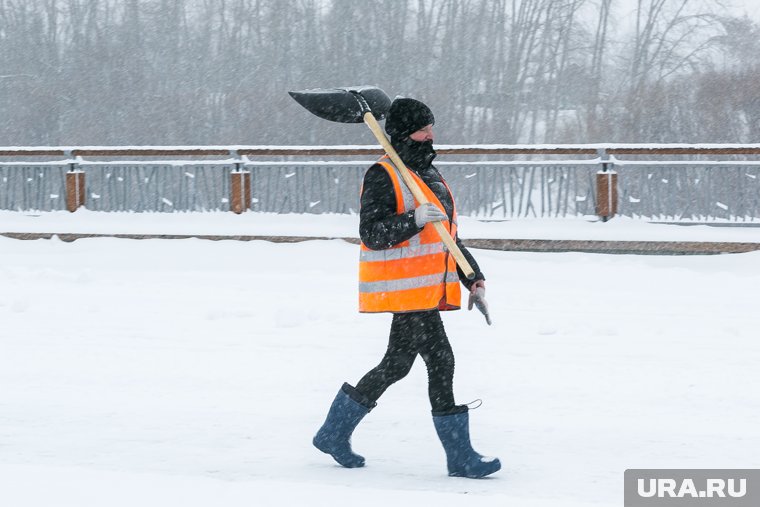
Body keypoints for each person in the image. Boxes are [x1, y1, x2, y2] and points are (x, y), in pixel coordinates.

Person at [312, 97, 501, 479]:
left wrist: (473, 278)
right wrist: (412, 219)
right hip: (406, 291)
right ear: (402, 133)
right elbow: (372, 234)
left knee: (396, 365)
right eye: (422, 128)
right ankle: (460, 457)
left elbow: (447, 236)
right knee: (441, 361)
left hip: (428, 289)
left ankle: (333, 434)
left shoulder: (430, 175)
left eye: (431, 126)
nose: (431, 134)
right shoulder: (385, 174)